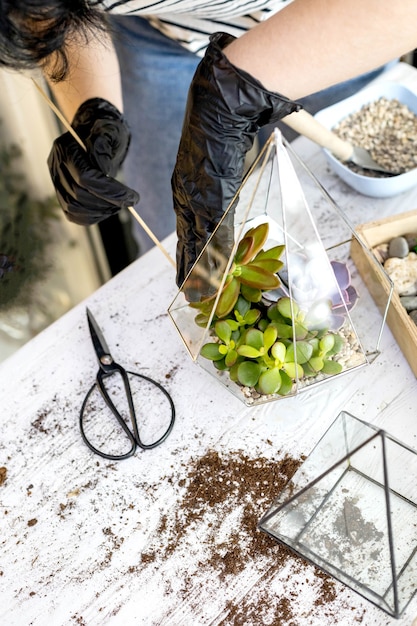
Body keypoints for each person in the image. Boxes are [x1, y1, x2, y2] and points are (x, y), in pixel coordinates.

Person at [1, 1, 416, 284]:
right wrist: (92, 108)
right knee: (174, 235)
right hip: (156, 37)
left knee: (348, 226)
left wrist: (233, 93)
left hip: (332, 24)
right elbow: (51, 15)